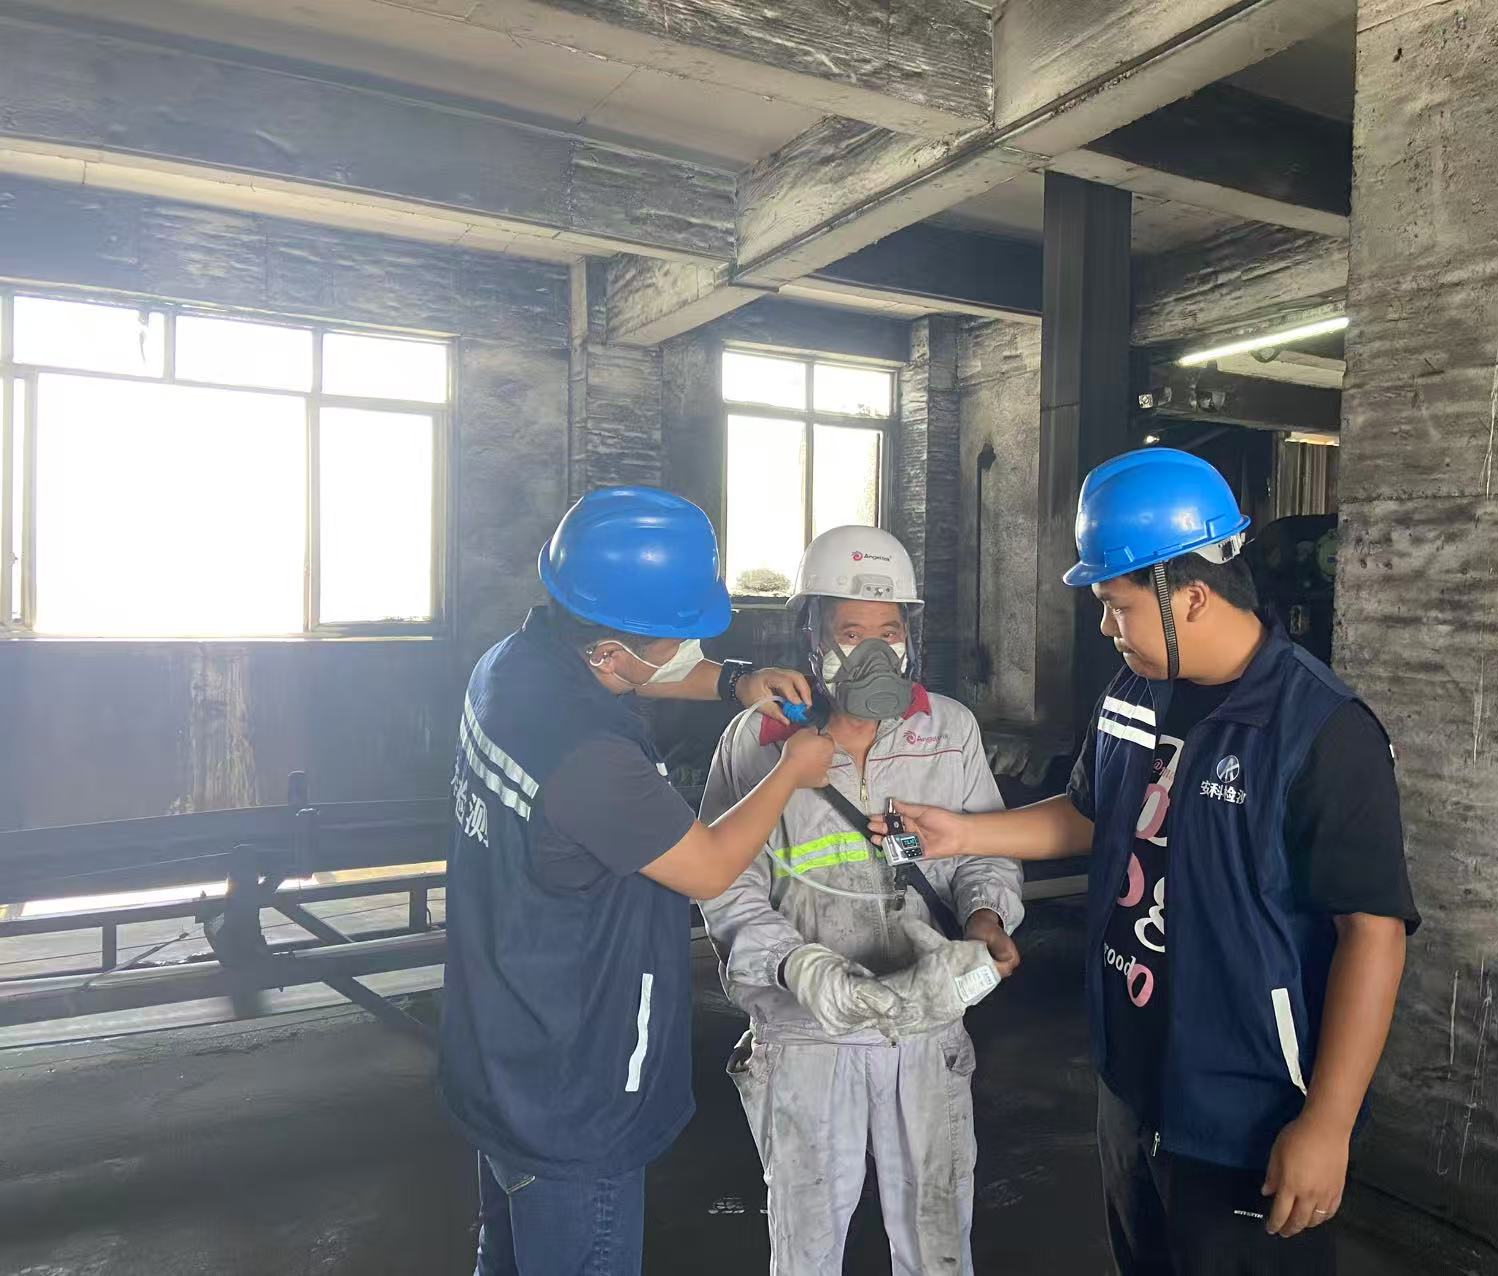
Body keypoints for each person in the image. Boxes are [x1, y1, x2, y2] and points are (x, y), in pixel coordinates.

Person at [880, 450, 1419, 1275]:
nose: (1106, 628)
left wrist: (1328, 1125)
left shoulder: (1319, 731)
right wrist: (962, 834)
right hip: (1133, 1084)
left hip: (1247, 1111)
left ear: (1190, 595)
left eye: (1116, 606)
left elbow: (1372, 934)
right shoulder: (1131, 695)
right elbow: (1091, 817)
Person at [439, 486, 837, 1276]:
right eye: (674, 640)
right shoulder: (591, 759)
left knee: (506, 1255)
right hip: (574, 1086)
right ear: (609, 651)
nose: (685, 651)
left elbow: (632, 672)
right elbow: (709, 866)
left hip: (504, 1043)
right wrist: (792, 770)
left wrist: (735, 681)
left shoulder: (511, 666)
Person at [699, 525, 1025, 1276]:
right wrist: (794, 966)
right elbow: (723, 882)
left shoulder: (949, 730)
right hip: (805, 1034)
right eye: (850, 632)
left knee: (937, 1235)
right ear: (810, 635)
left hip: (926, 1022)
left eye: (890, 630)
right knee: (807, 1242)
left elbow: (985, 849)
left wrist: (984, 919)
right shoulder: (756, 740)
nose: (874, 651)